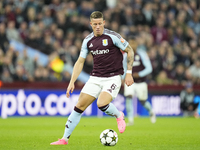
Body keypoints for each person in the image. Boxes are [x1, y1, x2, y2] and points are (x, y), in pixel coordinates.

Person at [50, 11, 134, 145]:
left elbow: (130, 50)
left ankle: (119, 115)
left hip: (113, 77)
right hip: (95, 78)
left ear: (104, 23)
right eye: (95, 24)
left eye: (100, 23)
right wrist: (72, 82)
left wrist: (129, 73)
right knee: (79, 106)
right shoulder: (88, 41)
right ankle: (64, 139)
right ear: (91, 24)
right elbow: (80, 61)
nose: (98, 26)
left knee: (101, 103)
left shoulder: (113, 36)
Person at [123, 35, 156, 126]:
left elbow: (149, 68)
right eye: (130, 44)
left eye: (134, 44)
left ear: (137, 45)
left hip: (141, 82)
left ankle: (151, 111)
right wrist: (123, 77)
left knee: (143, 101)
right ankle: (130, 120)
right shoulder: (125, 55)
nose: (132, 46)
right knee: (128, 97)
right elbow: (123, 68)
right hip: (130, 81)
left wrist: (139, 74)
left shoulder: (142, 54)